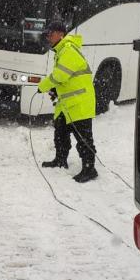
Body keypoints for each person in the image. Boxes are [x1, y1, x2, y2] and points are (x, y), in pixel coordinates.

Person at [37, 21, 98, 183]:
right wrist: (56, 90)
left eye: (51, 33)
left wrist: (43, 86)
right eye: (48, 33)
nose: (48, 36)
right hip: (68, 103)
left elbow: (59, 75)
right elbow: (68, 78)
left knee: (83, 138)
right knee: (60, 133)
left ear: (60, 34)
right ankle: (60, 160)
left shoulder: (69, 50)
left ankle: (89, 169)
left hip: (80, 103)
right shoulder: (62, 51)